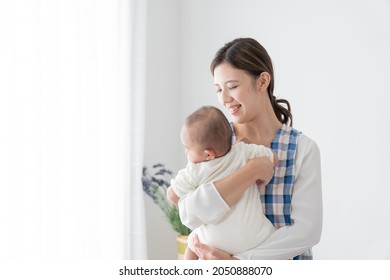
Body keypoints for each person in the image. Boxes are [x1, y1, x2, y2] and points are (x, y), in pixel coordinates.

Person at [178, 38, 322, 260]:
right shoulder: (214, 143)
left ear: (262, 81)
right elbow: (190, 213)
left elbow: (305, 232)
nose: (224, 99)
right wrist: (252, 171)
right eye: (218, 89)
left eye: (232, 86)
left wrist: (239, 264)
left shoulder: (302, 149)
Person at [167, 105, 279, 260]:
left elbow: (172, 196)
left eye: (187, 149)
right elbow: (274, 158)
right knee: (276, 245)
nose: (186, 152)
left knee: (193, 243)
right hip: (255, 239)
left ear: (208, 155)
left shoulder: (195, 170)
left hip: (214, 242)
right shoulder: (244, 152)